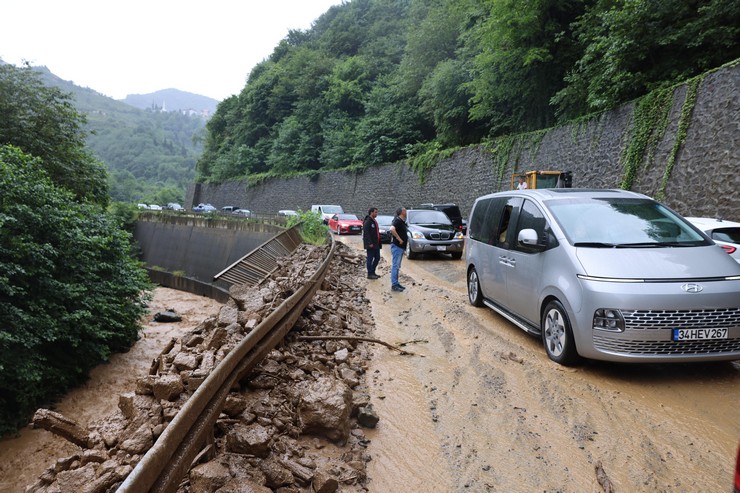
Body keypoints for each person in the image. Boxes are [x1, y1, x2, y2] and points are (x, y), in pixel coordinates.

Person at [389, 207, 408, 292]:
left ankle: (396, 283)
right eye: (405, 210)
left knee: (397, 266)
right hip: (397, 246)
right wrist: (399, 239)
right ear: (402, 212)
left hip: (400, 247)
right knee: (395, 266)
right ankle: (394, 285)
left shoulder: (401, 221)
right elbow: (392, 229)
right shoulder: (397, 220)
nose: (406, 212)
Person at [362, 207, 381, 279]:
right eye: (375, 212)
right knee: (370, 258)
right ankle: (369, 274)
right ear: (371, 212)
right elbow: (366, 233)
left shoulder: (374, 221)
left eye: (377, 212)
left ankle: (373, 271)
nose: (376, 214)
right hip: (371, 244)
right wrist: (369, 242)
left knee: (377, 257)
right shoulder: (368, 221)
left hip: (376, 243)